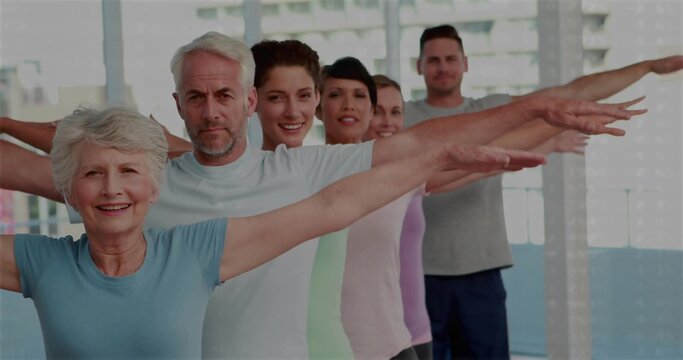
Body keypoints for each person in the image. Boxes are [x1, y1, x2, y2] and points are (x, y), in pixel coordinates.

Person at [1, 31, 641, 358]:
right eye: (196, 98)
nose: (212, 111)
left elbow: (417, 142)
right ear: (178, 107)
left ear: (246, 101)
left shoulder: (303, 174)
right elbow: (61, 151)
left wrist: (537, 107)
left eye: (226, 95)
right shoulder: (145, 183)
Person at [1, 106, 523, 358]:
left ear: (154, 187)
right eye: (93, 174)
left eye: (128, 172)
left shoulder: (194, 252)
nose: (112, 189)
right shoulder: (42, 262)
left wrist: (438, 157)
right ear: (70, 192)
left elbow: (330, 206)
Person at [404, 24, 682, 359]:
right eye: (433, 60)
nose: (443, 66)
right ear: (419, 66)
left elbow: (570, 93)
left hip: (481, 275)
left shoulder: (489, 111)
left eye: (451, 58)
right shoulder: (402, 117)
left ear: (466, 63)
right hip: (417, 277)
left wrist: (647, 67)